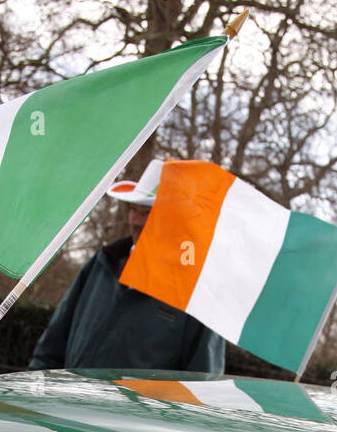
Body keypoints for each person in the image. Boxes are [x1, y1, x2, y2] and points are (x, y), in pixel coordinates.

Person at [29, 159, 225, 373]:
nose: (136, 220)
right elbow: (51, 347)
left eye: (148, 212)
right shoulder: (102, 264)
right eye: (134, 209)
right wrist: (34, 387)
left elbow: (202, 382)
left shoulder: (198, 294)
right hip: (68, 395)